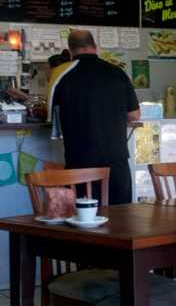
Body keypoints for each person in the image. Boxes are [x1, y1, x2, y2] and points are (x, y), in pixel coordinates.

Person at [50, 30, 140, 204]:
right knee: (121, 219)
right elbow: (134, 115)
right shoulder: (117, 73)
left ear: (70, 51)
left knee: (85, 222)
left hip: (80, 164)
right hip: (116, 161)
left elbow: (53, 117)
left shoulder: (62, 76)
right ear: (95, 47)